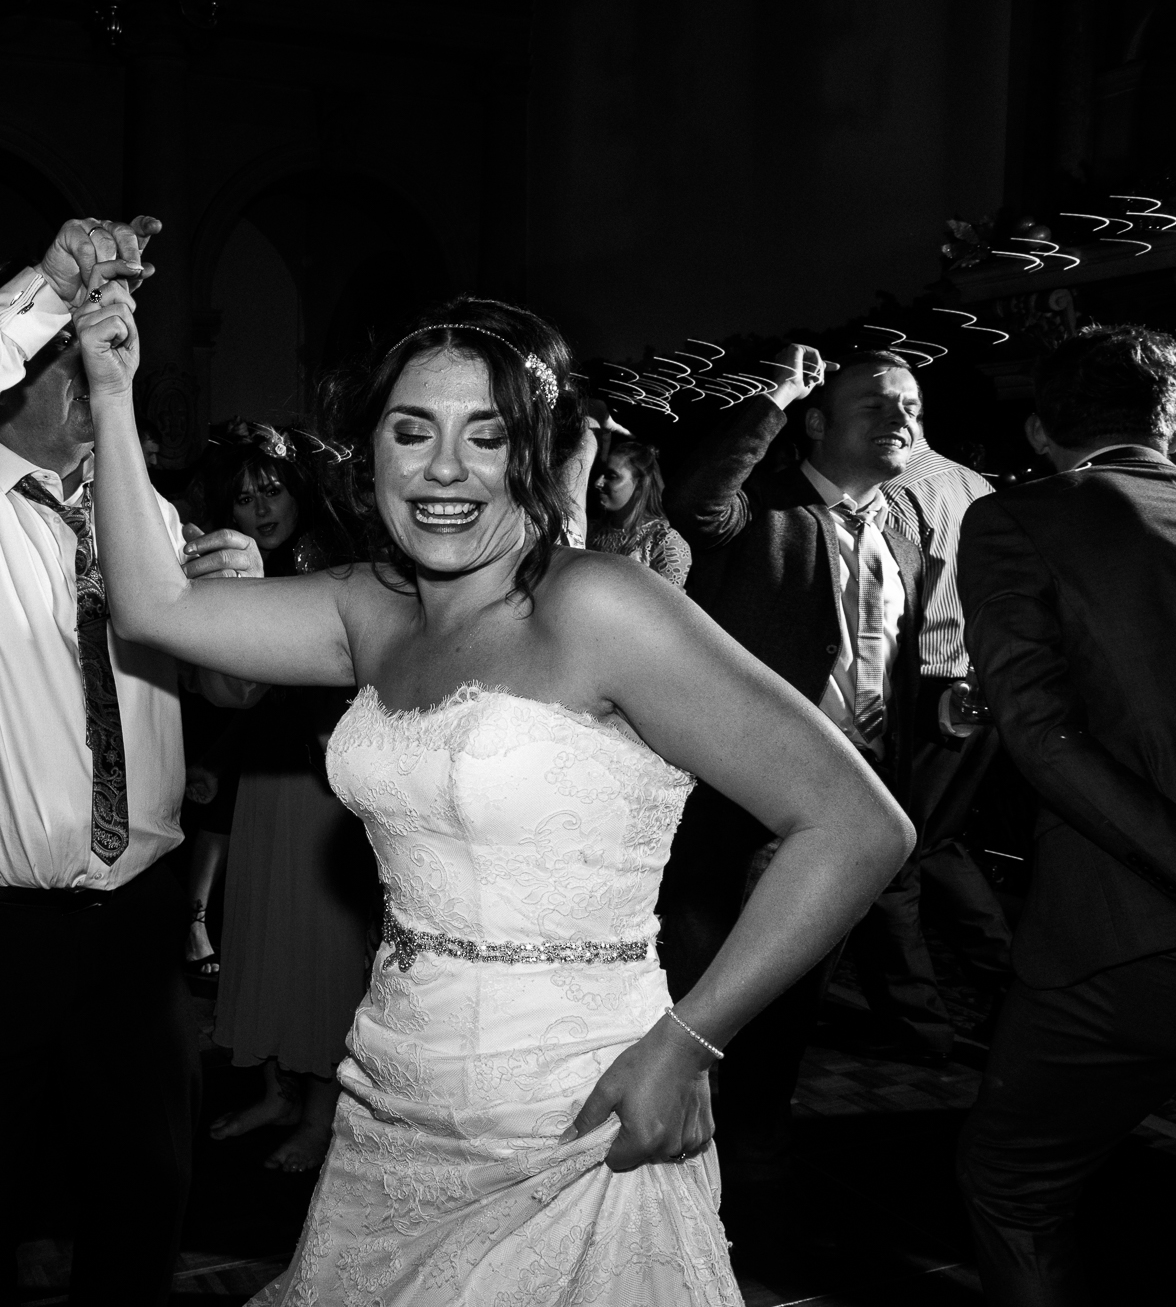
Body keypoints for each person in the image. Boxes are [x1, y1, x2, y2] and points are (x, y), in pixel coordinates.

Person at [82, 290, 911, 1303]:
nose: (442, 469)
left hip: (576, 1110)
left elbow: (855, 825)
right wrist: (111, 386)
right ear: (366, 454)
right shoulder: (366, 607)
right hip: (390, 1087)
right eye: (410, 431)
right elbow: (152, 603)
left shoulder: (597, 605)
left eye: (486, 435)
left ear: (530, 452)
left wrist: (687, 1040)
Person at [0, 216, 263, 1306]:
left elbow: (224, 694)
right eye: (58, 354)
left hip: (135, 929)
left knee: (141, 1208)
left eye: (93, 351)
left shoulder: (149, 513)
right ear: (5, 368)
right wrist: (44, 288)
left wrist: (242, 615)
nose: (88, 374)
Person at [662, 345, 929, 1211]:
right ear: (816, 420)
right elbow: (695, 496)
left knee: (797, 990)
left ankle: (759, 1146)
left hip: (843, 804)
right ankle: (681, 1157)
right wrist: (772, 396)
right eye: (879, 404)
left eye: (914, 407)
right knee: (707, 989)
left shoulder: (904, 524)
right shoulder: (757, 511)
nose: (903, 420)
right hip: (740, 799)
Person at [955, 324, 1176, 1307]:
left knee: (1011, 1188)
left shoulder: (1022, 518)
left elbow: (1043, 736)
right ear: (1166, 416)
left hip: (1121, 940)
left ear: (1043, 430)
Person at [190, 424, 373, 1174]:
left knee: (321, 953)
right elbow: (239, 692)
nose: (259, 505)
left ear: (299, 488)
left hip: (321, 784)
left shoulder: (333, 565)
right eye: (244, 493)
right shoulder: (236, 566)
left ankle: (321, 1113)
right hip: (263, 779)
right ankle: (273, 1090)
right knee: (258, 937)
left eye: (271, 488)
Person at [881, 428, 1015, 1029]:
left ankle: (916, 1023)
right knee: (936, 844)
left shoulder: (894, 489)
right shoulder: (971, 480)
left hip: (930, 686)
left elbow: (891, 603)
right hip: (977, 681)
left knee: (895, 855)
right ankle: (1009, 992)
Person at [588, 439, 691, 588]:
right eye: (601, 473)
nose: (598, 482)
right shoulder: (591, 530)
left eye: (611, 476)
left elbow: (663, 607)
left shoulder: (664, 541)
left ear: (640, 485)